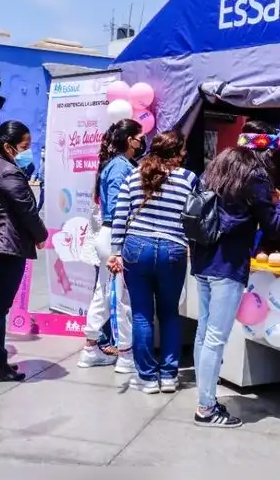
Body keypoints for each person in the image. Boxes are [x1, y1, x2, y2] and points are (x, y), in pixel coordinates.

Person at [190, 120, 280, 428]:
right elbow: (274, 225)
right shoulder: (256, 176)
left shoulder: (218, 166)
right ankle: (206, 408)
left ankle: (204, 398)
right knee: (215, 336)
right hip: (228, 263)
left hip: (204, 259)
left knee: (204, 332)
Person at [107, 131, 197, 395]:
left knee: (142, 314)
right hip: (173, 248)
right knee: (169, 313)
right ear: (177, 152)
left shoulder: (134, 176)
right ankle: (169, 376)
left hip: (136, 247)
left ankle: (146, 377)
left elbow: (120, 214)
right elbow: (194, 217)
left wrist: (116, 251)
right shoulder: (188, 178)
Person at [0, 120, 49, 382]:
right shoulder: (7, 170)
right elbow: (26, 209)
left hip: (0, 243)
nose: (27, 150)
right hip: (7, 244)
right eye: (24, 146)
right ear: (8, 146)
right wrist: (41, 235)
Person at [79, 119, 143, 372]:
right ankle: (126, 354)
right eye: (140, 137)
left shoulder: (118, 165)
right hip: (117, 234)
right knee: (120, 296)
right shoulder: (120, 167)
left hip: (111, 233)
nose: (142, 142)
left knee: (104, 293)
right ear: (130, 140)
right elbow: (118, 207)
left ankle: (90, 347)